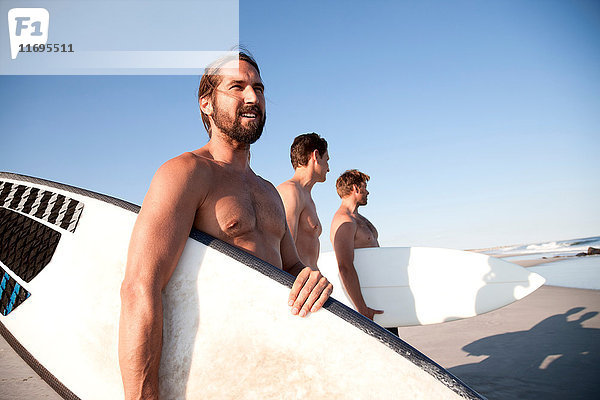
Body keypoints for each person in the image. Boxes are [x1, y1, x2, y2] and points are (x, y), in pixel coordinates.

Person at [118, 52, 333, 400]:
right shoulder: (186, 174)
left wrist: (311, 277)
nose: (253, 98)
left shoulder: (268, 192)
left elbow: (291, 266)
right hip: (213, 373)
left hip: (277, 368)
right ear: (206, 103)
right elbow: (140, 287)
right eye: (238, 87)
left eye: (259, 88)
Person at [329, 169, 384, 322]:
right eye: (364, 187)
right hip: (365, 303)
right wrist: (361, 308)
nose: (367, 192)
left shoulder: (359, 218)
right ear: (355, 188)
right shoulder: (344, 221)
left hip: (377, 295)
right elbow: (344, 266)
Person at [277, 133, 329, 269]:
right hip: (296, 285)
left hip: (309, 284)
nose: (328, 168)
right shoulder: (290, 192)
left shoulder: (307, 196)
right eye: (327, 160)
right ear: (316, 156)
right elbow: (283, 252)